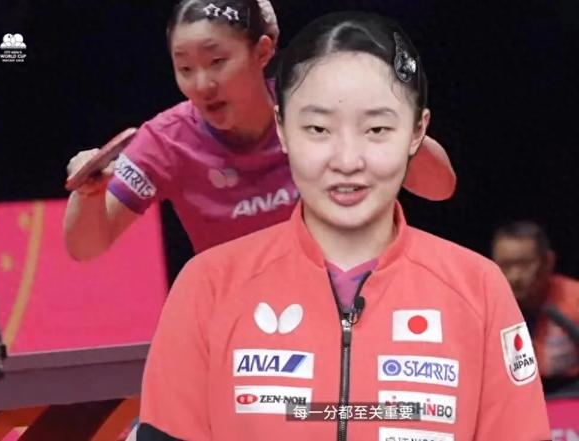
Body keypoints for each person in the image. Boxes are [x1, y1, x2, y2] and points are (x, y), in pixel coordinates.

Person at [136, 10, 551, 441]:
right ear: (282, 128)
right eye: (318, 129)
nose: (347, 161)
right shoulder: (208, 286)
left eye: (377, 129)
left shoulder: (478, 290)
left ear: (416, 132)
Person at [63, 0, 456, 261]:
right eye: (185, 68)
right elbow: (85, 248)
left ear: (263, 52)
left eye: (217, 61)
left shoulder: (315, 104)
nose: (202, 84)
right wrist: (90, 195)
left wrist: (381, 117)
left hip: (350, 296)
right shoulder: (166, 141)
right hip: (244, 318)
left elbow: (440, 187)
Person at [492, 221, 579, 390]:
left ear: (548, 261)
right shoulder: (485, 311)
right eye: (506, 265)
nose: (515, 277)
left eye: (524, 264)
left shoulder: (575, 299)